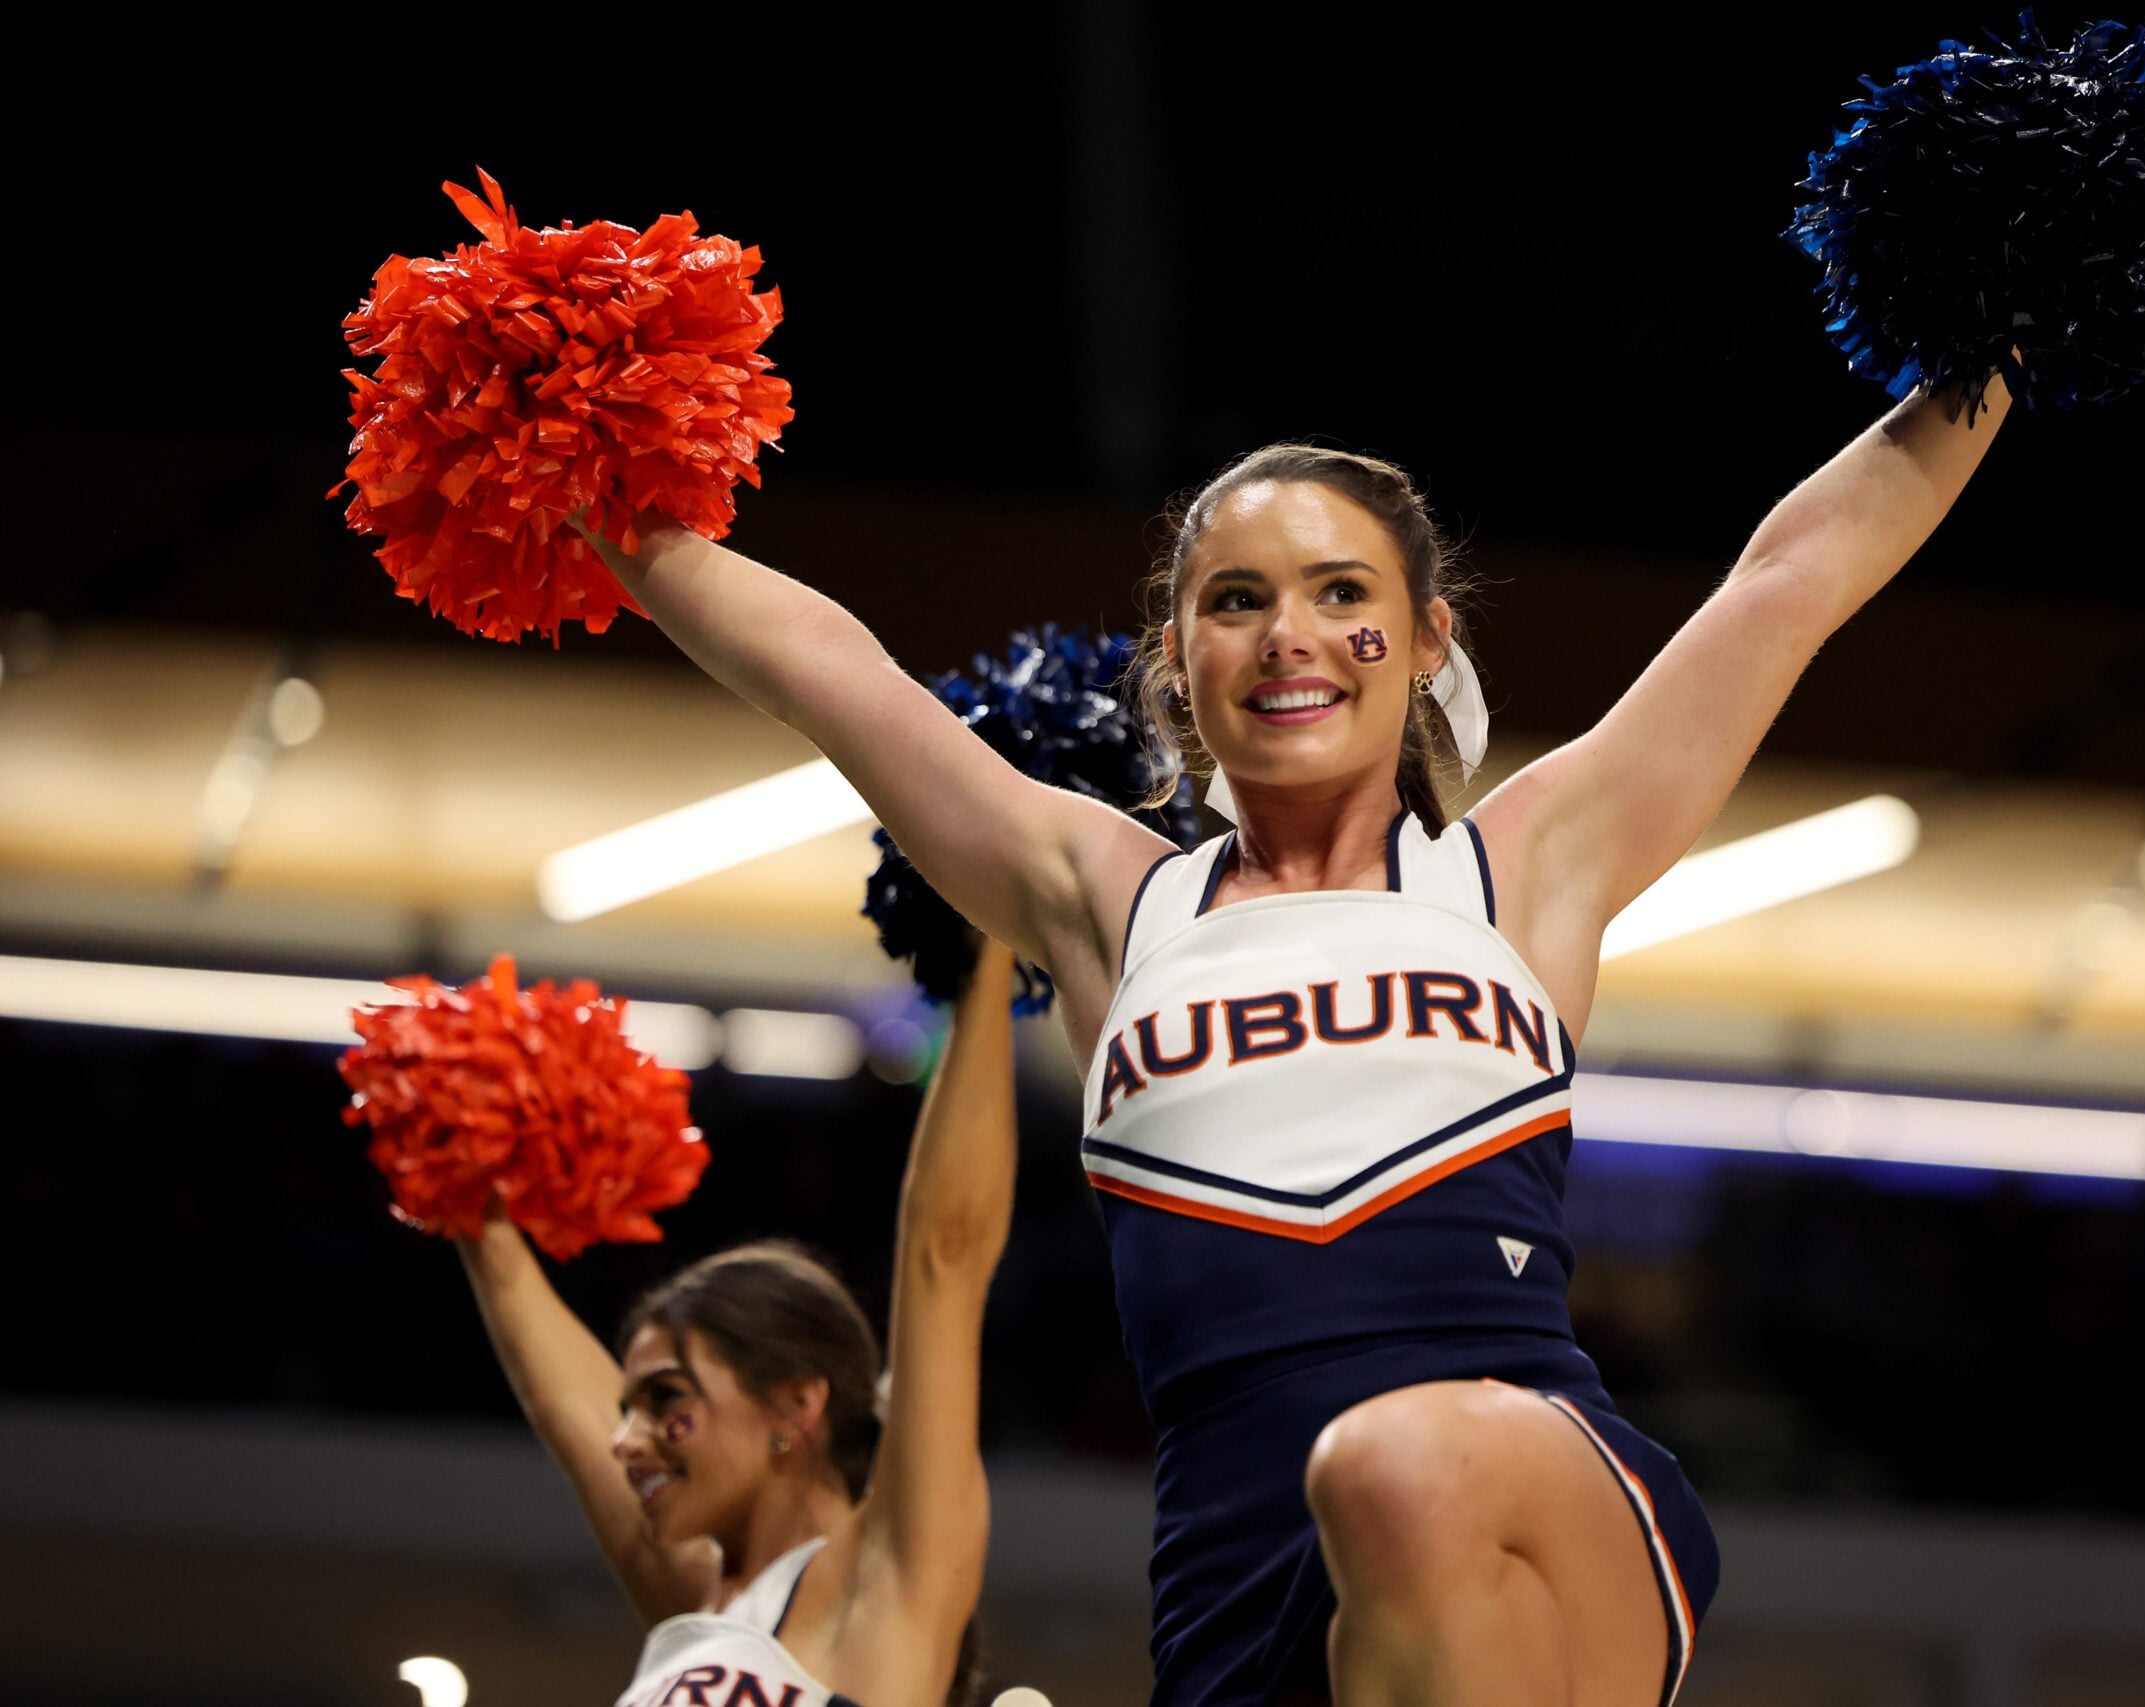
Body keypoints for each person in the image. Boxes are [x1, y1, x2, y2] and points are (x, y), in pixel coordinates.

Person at [580, 373, 2008, 1703]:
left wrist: (1996, 339)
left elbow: (1790, 575)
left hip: (1536, 1508)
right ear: (1179, 652)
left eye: (1344, 592)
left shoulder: (1524, 866)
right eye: (1237, 599)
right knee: (1372, 1482)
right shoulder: (1103, 899)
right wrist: (579, 486)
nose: (1291, 637)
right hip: (1236, 1588)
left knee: (1395, 1461)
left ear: (1431, 636)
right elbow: (829, 667)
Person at [457, 936, 1020, 1707]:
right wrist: (461, 1174)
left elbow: (945, 1256)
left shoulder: (881, 1585)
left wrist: (986, 960)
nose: (623, 1440)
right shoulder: (701, 1603)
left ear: (796, 1403)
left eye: (666, 1400)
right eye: (630, 1409)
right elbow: (561, 1403)